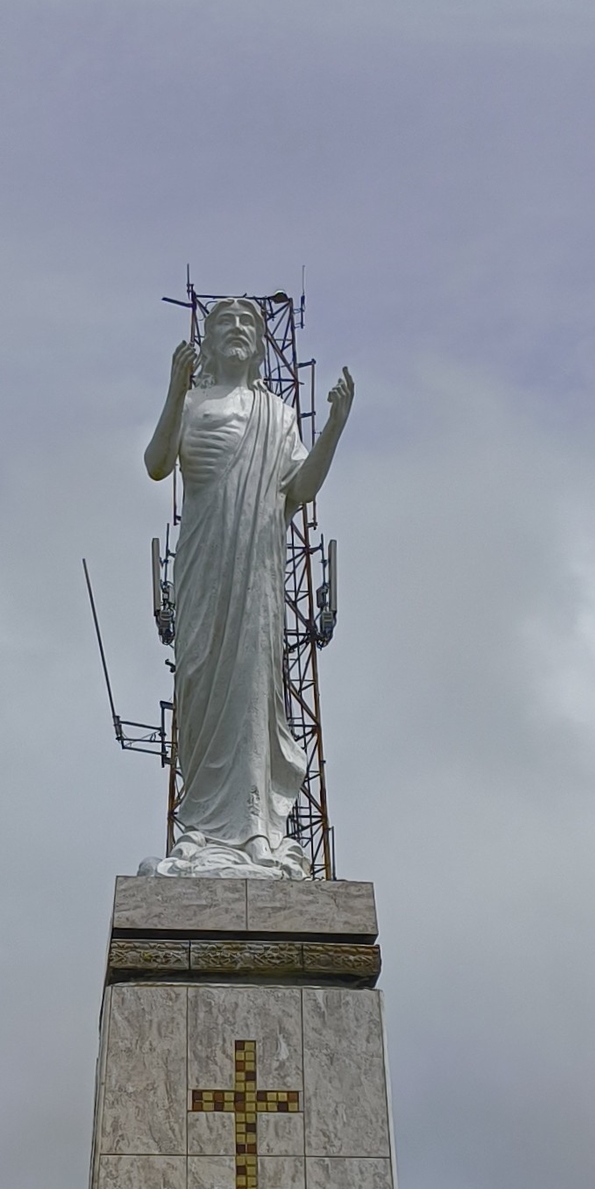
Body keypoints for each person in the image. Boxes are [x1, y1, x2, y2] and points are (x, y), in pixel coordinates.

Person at [141, 295, 353, 875]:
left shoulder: (278, 415)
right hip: (204, 565)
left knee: (251, 687)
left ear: (260, 345)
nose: (237, 330)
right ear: (207, 343)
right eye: (225, 323)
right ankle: (202, 827)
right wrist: (174, 387)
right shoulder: (191, 402)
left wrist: (333, 428)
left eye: (247, 324)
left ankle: (256, 826)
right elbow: (157, 463)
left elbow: (300, 488)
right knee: (202, 684)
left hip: (257, 567)